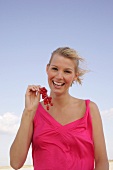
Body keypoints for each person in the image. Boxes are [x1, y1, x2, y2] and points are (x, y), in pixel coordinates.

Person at [10, 47, 109, 170]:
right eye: (55, 69)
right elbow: (15, 163)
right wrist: (28, 112)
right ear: (47, 69)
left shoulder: (90, 109)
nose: (59, 76)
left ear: (75, 76)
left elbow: (102, 161)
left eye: (67, 71)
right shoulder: (34, 111)